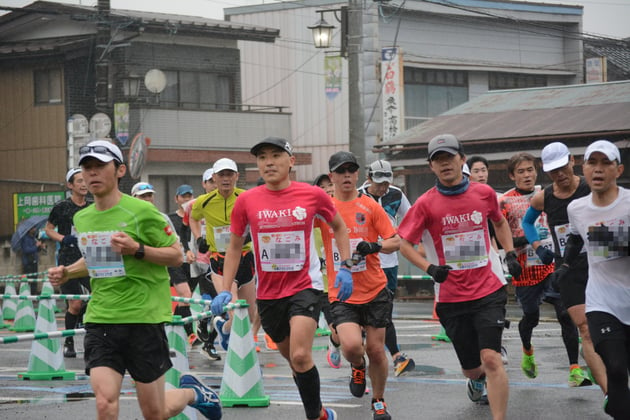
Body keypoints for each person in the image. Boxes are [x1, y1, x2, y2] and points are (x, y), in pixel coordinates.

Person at [47, 140, 221, 420]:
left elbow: (176, 256)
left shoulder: (143, 212)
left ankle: (194, 393)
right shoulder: (84, 218)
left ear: (119, 170)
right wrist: (68, 272)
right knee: (105, 403)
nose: (92, 173)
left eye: (100, 167)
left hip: (143, 318)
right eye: (87, 168)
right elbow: (97, 259)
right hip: (102, 318)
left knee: (154, 411)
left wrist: (137, 250)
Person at [211, 137, 350, 420]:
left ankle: (314, 415)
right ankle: (321, 411)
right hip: (269, 295)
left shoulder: (312, 195)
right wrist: (226, 289)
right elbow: (235, 246)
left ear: (291, 161)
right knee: (294, 360)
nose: (269, 162)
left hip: (305, 287)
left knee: (300, 356)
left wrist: (346, 266)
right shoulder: (247, 200)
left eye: (276, 155)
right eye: (262, 157)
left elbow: (339, 226)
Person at [398, 134, 521, 420]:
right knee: (472, 367)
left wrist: (510, 252)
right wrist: (430, 268)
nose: (444, 164)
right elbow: (404, 244)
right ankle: (475, 380)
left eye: (449, 157)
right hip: (451, 297)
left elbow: (499, 222)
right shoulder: (425, 204)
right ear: (431, 167)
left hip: (489, 289)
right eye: (438, 160)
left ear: (462, 160)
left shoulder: (484, 193)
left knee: (492, 358)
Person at [318, 151, 400, 420]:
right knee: (353, 346)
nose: (346, 176)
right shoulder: (325, 209)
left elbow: (395, 241)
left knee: (377, 350)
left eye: (351, 171)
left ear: (358, 175)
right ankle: (356, 365)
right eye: (341, 172)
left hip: (375, 288)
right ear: (331, 177)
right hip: (342, 291)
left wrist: (375, 246)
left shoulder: (371, 206)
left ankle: (378, 401)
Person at [522, 142, 605, 389]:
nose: (559, 174)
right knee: (585, 329)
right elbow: (528, 223)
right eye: (552, 171)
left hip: (600, 263)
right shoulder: (543, 197)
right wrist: (538, 247)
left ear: (572, 161)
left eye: (562, 167)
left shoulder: (591, 188)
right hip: (567, 269)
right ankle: (608, 391)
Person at [559, 140, 629, 418]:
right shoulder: (576, 209)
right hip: (602, 303)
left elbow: (598, 241)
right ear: (584, 168)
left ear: (618, 170)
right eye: (592, 163)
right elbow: (577, 237)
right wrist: (564, 265)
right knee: (614, 366)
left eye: (605, 163)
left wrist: (610, 242)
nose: (598, 169)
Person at [499, 152, 583, 384]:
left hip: (553, 266)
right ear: (511, 175)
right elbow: (499, 239)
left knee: (565, 314)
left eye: (530, 170)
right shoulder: (505, 201)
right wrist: (525, 243)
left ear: (537, 171)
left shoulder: (548, 194)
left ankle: (575, 368)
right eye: (521, 171)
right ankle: (527, 351)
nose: (526, 175)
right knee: (531, 318)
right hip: (525, 269)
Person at [191, 158, 259, 353]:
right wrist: (198, 238)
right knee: (235, 308)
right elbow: (193, 219)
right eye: (221, 175)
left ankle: (224, 329)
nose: (226, 179)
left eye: (230, 174)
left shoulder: (246, 197)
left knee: (249, 315)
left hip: (245, 257)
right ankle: (239, 354)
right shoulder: (204, 201)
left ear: (237, 177)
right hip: (219, 259)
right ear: (214, 177)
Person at [357, 159, 416, 377]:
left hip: (389, 263)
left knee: (384, 311)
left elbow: (411, 218)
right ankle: (390, 355)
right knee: (362, 313)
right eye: (378, 182)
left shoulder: (396, 194)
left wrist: (400, 234)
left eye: (386, 183)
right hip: (364, 262)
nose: (382, 187)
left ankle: (394, 356)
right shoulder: (358, 196)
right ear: (369, 178)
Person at [45, 168, 92, 358]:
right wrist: (63, 238)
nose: (83, 184)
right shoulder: (61, 207)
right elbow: (48, 229)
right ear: (70, 185)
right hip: (67, 260)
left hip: (90, 259)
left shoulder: (92, 206)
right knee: (74, 305)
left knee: (101, 294)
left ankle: (95, 337)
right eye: (79, 181)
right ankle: (69, 341)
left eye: (85, 180)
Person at [312, 174, 342, 369]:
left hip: (342, 281)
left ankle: (335, 343)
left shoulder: (344, 213)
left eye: (330, 185)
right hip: (319, 285)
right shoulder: (312, 218)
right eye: (322, 187)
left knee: (343, 331)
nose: (328, 190)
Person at [20, 225, 46, 295]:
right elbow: (26, 250)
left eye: (35, 228)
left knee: (35, 279)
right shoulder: (25, 239)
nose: (34, 229)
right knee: (29, 280)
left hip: (34, 261)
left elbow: (36, 250)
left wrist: (40, 247)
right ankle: (28, 295)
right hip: (28, 262)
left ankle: (34, 295)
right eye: (33, 228)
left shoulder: (33, 238)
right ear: (29, 229)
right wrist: (36, 246)